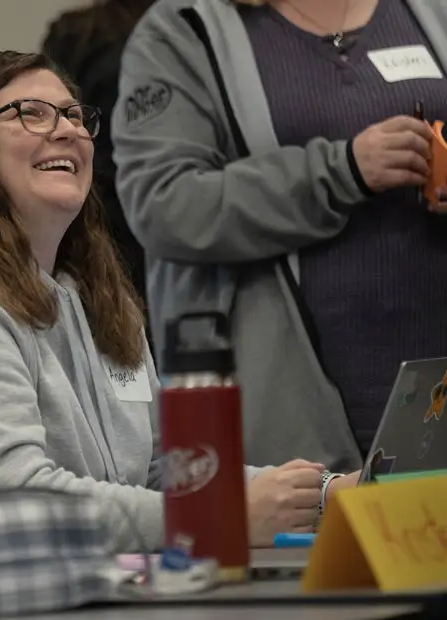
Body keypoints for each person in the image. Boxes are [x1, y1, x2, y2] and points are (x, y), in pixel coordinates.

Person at [0, 50, 356, 583]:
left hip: (72, 606)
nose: (66, 129)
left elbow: (161, 469)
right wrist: (210, 516)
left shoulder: (94, 301)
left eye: (73, 114)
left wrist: (326, 496)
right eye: (30, 114)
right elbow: (17, 504)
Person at [112, 0, 447, 473]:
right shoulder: (186, 29)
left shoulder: (429, 11)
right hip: (290, 397)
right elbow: (163, 204)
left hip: (431, 370)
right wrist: (342, 171)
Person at [41, 0, 157, 351]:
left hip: (102, 215)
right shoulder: (195, 29)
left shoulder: (79, 31)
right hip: (125, 218)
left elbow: (57, 115)